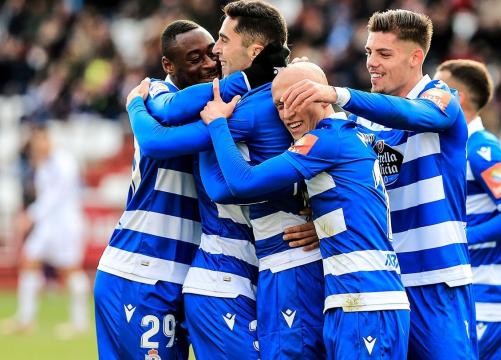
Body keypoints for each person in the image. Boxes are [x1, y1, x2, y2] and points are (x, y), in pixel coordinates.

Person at [126, 2, 325, 358]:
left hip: (269, 269)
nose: (216, 51)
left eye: (222, 40)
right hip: (232, 274)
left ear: (254, 51)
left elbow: (160, 136)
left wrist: (135, 105)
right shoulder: (273, 97)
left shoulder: (244, 108)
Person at [281, 9, 477, 359]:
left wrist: (338, 94)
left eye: (384, 54)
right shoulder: (357, 121)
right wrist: (323, 226)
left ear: (416, 57)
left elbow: (411, 115)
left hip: (435, 279)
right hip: (382, 283)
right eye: (369, 52)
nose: (372, 62)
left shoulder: (442, 98)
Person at [197, 61, 410, 359]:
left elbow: (242, 183)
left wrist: (217, 124)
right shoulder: (356, 134)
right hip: (355, 298)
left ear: (321, 96)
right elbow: (357, 205)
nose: (287, 114)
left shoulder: (325, 139)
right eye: (279, 105)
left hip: (365, 301)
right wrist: (323, 227)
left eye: (295, 101)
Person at [95, 19, 280, 359]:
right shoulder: (156, 93)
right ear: (169, 65)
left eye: (211, 54)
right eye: (194, 59)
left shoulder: (217, 110)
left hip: (189, 272)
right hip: (142, 267)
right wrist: (135, 104)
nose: (209, 64)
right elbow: (156, 137)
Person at [434, 59, 501, 360]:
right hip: (490, 296)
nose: (428, 93)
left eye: (438, 87)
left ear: (457, 97)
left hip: (491, 296)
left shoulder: (480, 149)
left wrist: (461, 237)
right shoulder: (457, 146)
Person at [2, 125, 89, 338]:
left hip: (65, 224)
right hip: (47, 225)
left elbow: (56, 196)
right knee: (29, 261)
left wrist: (30, 215)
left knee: (70, 271)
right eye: (34, 142)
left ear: (48, 139)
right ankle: (25, 319)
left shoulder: (64, 162)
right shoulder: (43, 165)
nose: (37, 146)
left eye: (40, 140)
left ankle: (80, 323)